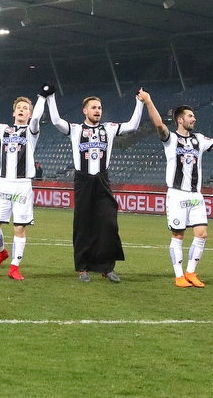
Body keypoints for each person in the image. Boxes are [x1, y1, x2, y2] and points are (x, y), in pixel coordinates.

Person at [142, 97, 213, 288]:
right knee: (178, 235)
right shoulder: (171, 139)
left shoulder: (199, 139)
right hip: (177, 194)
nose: (193, 119)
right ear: (180, 120)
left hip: (196, 195)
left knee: (202, 234)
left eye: (193, 116)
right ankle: (179, 276)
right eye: (190, 116)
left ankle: (191, 272)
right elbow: (159, 124)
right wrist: (148, 101)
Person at [45, 84, 145, 283]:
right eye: (93, 107)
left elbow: (133, 125)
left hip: (102, 179)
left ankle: (107, 267)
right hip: (82, 180)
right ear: (85, 111)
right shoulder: (75, 129)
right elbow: (56, 120)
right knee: (83, 225)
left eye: (99, 108)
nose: (97, 111)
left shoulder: (108, 129)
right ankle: (82, 267)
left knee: (108, 223)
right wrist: (50, 96)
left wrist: (139, 102)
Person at [0, 82, 45, 281]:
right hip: (4, 183)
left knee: (19, 227)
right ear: (13, 113)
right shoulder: (4, 130)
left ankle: (14, 267)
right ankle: (1, 252)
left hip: (22, 185)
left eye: (25, 109)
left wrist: (42, 97)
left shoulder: (31, 132)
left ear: (29, 115)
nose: (22, 110)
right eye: (19, 108)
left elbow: (38, 117)